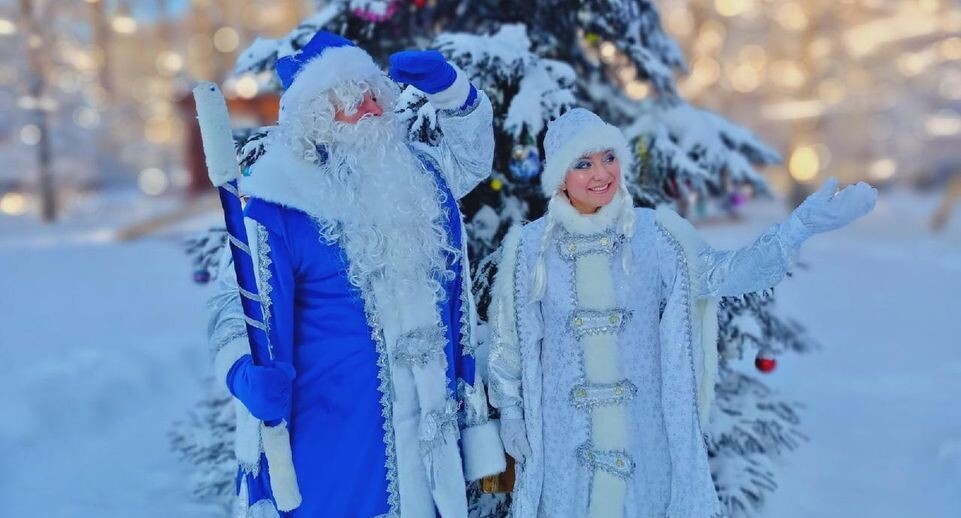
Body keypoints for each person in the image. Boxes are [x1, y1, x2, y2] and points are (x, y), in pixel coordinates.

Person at [487, 108, 877, 517]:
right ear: (559, 177)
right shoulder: (531, 247)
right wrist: (511, 411)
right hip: (564, 438)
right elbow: (508, 339)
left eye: (609, 157)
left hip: (642, 437)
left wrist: (798, 228)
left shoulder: (655, 235)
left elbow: (724, 274)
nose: (601, 173)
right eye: (583, 164)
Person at [207, 31, 505, 517]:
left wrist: (451, 92)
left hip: (427, 440)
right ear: (314, 119)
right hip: (333, 441)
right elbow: (233, 306)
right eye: (348, 100)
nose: (368, 108)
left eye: (372, 95)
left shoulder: (414, 176)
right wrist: (243, 371)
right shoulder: (280, 204)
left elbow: (470, 159)